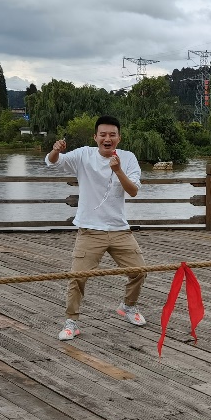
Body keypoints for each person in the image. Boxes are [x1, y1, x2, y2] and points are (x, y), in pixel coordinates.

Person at [45, 115, 147, 341]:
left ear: (119, 138)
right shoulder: (84, 154)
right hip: (89, 230)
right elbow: (53, 162)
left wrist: (118, 170)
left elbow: (133, 191)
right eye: (103, 135)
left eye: (112, 135)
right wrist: (55, 150)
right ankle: (71, 322)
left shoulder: (128, 158)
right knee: (77, 277)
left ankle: (128, 306)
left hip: (119, 229)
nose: (107, 138)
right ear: (95, 137)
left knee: (139, 271)